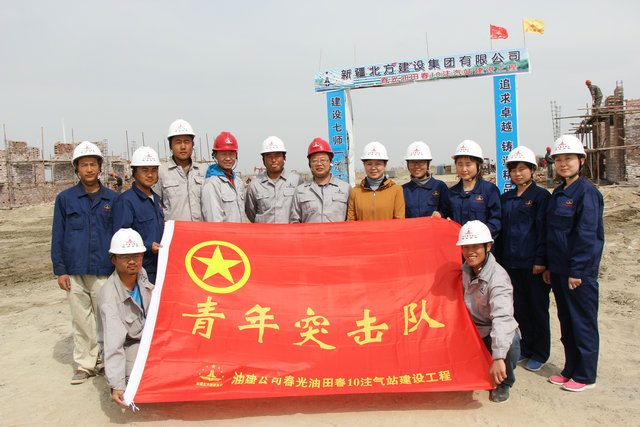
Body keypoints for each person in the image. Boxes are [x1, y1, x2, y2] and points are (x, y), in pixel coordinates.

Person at [51, 141, 119, 384]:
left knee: (106, 317)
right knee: (81, 319)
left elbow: (119, 235)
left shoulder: (113, 199)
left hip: (104, 269)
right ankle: (85, 364)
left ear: (100, 167)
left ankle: (107, 360)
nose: (89, 169)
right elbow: (58, 235)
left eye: (93, 164)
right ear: (76, 169)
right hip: (75, 270)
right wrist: (60, 270)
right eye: (83, 165)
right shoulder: (65, 199)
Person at [542, 134, 604, 392]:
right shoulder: (558, 193)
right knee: (566, 321)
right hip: (559, 270)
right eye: (558, 160)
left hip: (578, 273)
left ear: (581, 160)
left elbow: (587, 235)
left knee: (582, 322)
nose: (563, 164)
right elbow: (551, 233)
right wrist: (549, 266)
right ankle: (570, 368)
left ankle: (586, 375)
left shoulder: (587, 193)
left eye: (569, 158)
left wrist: (577, 270)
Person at [495, 146, 551, 372]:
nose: (517, 174)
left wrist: (541, 260)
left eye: (522, 169)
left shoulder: (541, 197)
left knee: (538, 308)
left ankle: (540, 352)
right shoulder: (506, 198)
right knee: (519, 308)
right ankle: (526, 347)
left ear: (532, 170)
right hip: (511, 264)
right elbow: (501, 232)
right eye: (513, 170)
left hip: (532, 265)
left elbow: (544, 231)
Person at [457, 220, 520, 403]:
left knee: (511, 339)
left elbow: (502, 317)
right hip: (470, 331)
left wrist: (499, 357)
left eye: (476, 247)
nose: (470, 252)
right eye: (466, 247)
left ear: (488, 247)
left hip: (491, 331)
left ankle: (504, 382)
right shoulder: (463, 272)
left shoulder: (498, 278)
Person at [97, 228, 153, 407]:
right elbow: (113, 344)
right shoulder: (109, 297)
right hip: (130, 345)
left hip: (149, 339)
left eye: (137, 256)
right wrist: (117, 385)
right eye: (125, 257)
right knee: (136, 380)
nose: (132, 261)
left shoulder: (141, 275)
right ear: (113, 259)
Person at [112, 146, 164, 284]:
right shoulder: (126, 201)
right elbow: (121, 237)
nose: (150, 175)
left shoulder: (157, 199)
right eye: (144, 170)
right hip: (141, 269)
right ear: (134, 172)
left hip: (159, 267)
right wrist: (148, 246)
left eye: (154, 170)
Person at [441, 140, 501, 240]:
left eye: (468, 164)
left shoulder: (490, 190)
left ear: (478, 165)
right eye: (460, 164)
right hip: (458, 245)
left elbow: (496, 221)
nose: (464, 169)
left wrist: (478, 238)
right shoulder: (451, 193)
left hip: (481, 245)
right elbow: (445, 216)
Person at [154, 119, 205, 221]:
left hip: (200, 229)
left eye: (187, 142)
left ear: (192, 145)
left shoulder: (204, 171)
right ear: (171, 146)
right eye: (178, 142)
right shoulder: (161, 172)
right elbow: (154, 205)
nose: (183, 146)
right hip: (174, 229)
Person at [290, 138, 351, 223]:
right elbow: (294, 221)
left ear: (331, 162)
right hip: (309, 232)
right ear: (310, 165)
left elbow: (351, 219)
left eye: (323, 160)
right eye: (314, 161)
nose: (319, 164)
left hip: (338, 232)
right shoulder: (300, 191)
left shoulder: (345, 188)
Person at [245, 136, 302, 223]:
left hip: (289, 231)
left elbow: (301, 210)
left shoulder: (296, 181)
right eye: (269, 156)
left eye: (277, 155)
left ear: (284, 157)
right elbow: (251, 213)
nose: (273, 160)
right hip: (264, 231)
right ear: (263, 159)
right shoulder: (255, 185)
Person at [347, 141, 404, 221]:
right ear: (364, 165)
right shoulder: (355, 192)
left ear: (385, 165)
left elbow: (399, 221)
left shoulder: (396, 190)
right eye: (369, 164)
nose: (373, 168)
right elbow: (351, 220)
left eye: (378, 164)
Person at [201, 132, 245, 222]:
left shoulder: (238, 182)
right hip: (223, 231)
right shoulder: (212, 184)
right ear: (215, 156)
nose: (228, 158)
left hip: (240, 231)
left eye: (231, 154)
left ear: (236, 156)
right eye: (224, 154)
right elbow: (214, 220)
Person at [402, 141, 448, 218]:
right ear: (407, 164)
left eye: (421, 162)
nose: (416, 166)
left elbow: (448, 211)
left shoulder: (439, 187)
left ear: (428, 164)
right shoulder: (403, 190)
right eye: (412, 162)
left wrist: (441, 214)